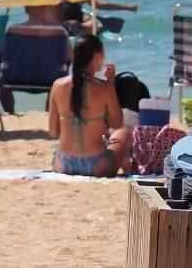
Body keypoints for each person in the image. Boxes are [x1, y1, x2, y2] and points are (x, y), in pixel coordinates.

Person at [47, 35, 132, 177]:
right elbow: (117, 123)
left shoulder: (57, 85)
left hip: (63, 163)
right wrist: (110, 85)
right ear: (98, 57)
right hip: (96, 165)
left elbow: (53, 132)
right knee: (124, 134)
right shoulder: (104, 88)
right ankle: (127, 166)